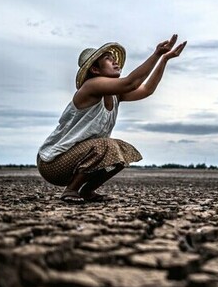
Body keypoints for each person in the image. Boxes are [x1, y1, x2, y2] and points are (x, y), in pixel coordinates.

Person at [37, 34, 187, 203]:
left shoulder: (115, 95)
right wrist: (156, 54)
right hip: (53, 163)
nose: (115, 62)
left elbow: (146, 90)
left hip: (78, 161)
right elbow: (131, 83)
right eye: (109, 59)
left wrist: (164, 60)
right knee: (106, 145)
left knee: (122, 150)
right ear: (95, 70)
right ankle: (70, 190)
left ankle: (86, 191)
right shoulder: (91, 87)